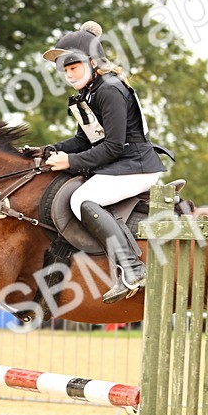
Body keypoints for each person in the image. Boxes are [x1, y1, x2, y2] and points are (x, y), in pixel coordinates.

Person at [26, 21, 171, 304]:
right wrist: (48, 150)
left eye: (74, 67)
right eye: (65, 70)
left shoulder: (109, 90)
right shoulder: (87, 94)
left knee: (82, 199)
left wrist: (71, 162)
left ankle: (132, 267)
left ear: (92, 62)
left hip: (137, 165)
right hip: (120, 164)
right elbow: (83, 140)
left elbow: (114, 146)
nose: (69, 74)